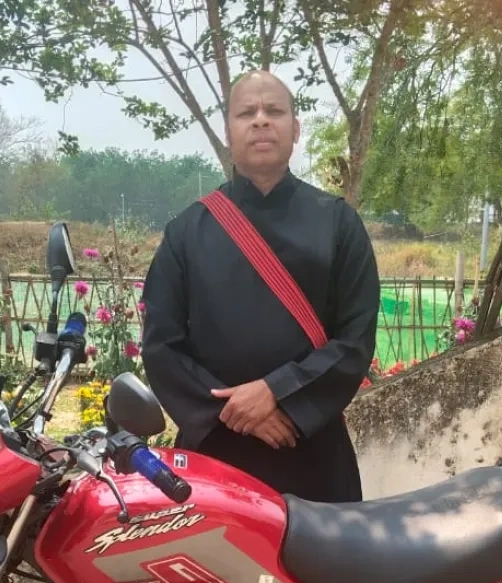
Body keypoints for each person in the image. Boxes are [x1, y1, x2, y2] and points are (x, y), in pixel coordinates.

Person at [139, 70, 380, 504]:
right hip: (215, 455)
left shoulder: (338, 223)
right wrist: (235, 415)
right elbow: (161, 346)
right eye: (246, 112)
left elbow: (355, 339)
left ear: (296, 128)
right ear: (228, 132)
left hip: (311, 449)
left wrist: (278, 394)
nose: (261, 121)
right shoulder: (187, 232)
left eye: (275, 111)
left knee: (320, 572)